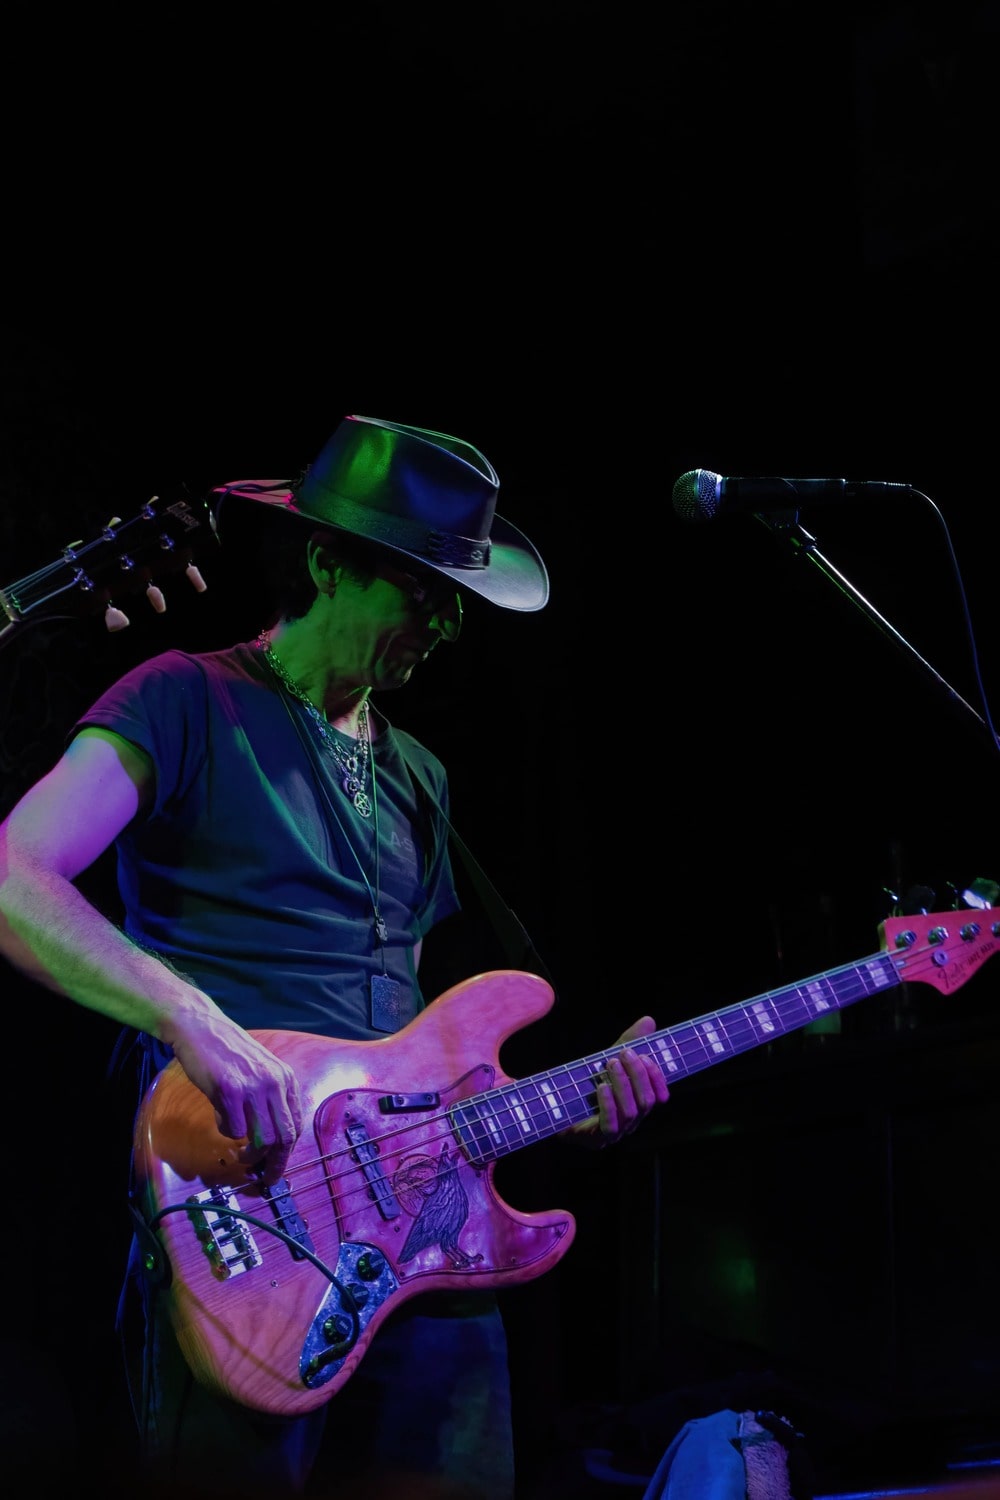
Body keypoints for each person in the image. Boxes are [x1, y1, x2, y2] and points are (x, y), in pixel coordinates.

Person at [0, 413, 670, 1500]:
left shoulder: (421, 776)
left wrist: (571, 1105)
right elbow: (14, 875)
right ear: (326, 563)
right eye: (426, 590)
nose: (448, 623)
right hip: (244, 1209)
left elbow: (420, 1043)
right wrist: (192, 1017)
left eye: (457, 598)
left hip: (426, 1242)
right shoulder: (184, 697)